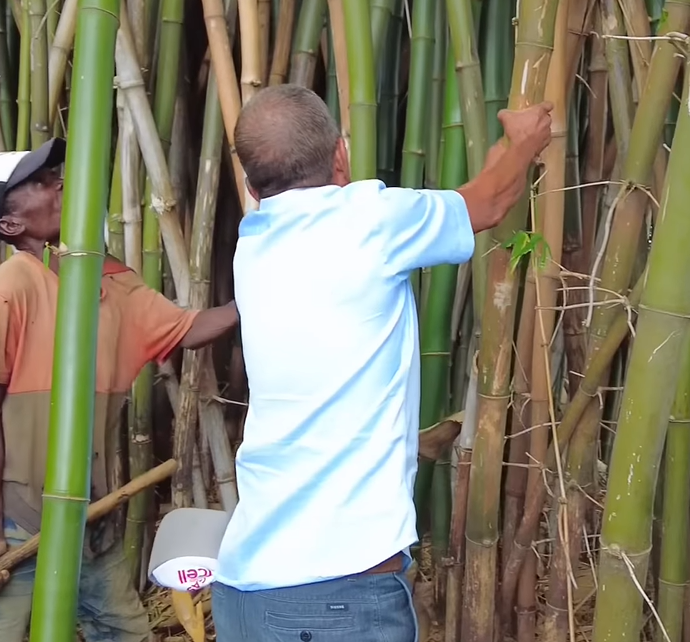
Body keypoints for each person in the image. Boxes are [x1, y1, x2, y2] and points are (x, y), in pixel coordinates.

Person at [212, 85, 553, 642]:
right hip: (337, 599)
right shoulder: (369, 221)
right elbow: (490, 203)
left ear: (252, 188)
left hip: (243, 596)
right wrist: (526, 141)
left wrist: (507, 156)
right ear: (341, 156)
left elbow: (480, 193)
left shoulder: (252, 244)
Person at [0, 138, 239, 642]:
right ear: (11, 225)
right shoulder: (7, 291)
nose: (60, 184)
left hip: (93, 513)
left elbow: (189, 328)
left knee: (125, 631)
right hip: (22, 521)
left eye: (54, 175)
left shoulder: (113, 284)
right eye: (40, 183)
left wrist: (263, 291)